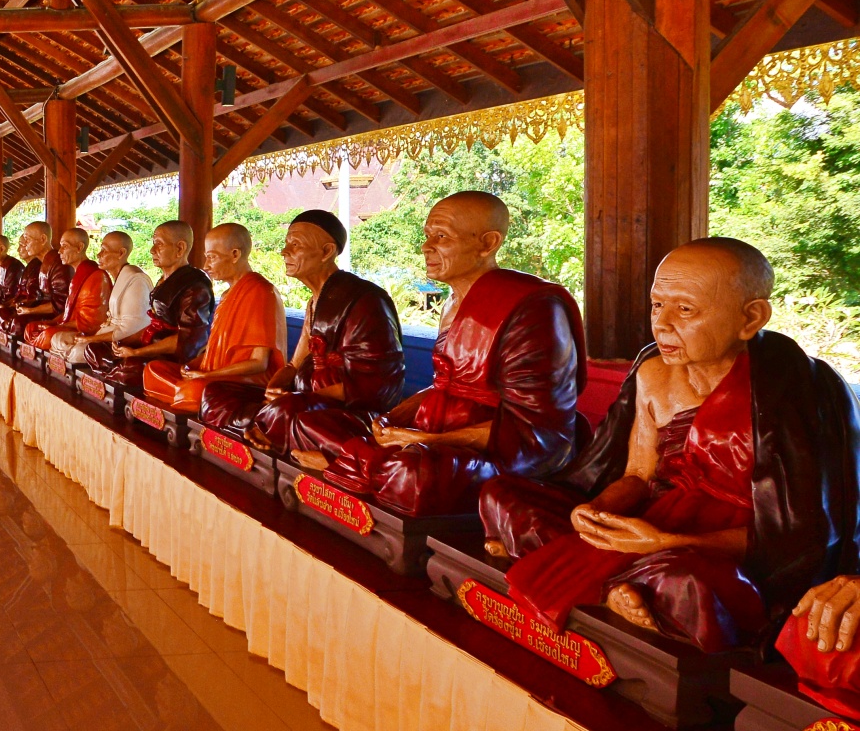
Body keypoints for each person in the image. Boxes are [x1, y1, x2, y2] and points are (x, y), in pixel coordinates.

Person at [476, 239, 860, 659]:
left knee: (690, 583)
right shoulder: (653, 374)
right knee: (502, 495)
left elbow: (794, 536)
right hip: (655, 518)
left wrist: (666, 542)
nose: (662, 324)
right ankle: (626, 587)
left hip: (723, 545)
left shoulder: (795, 390)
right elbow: (639, 476)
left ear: (751, 317)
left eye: (686, 309)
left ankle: (621, 583)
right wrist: (598, 512)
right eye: (657, 305)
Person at [297, 191, 585, 519]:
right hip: (431, 439)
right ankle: (363, 462)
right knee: (308, 421)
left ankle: (350, 462)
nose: (426, 246)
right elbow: (444, 386)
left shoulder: (533, 307)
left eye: (441, 237)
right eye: (427, 235)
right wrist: (393, 419)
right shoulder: (452, 302)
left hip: (499, 456)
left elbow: (533, 429)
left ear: (488, 243)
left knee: (416, 475)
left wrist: (428, 439)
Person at [216, 209, 404, 443]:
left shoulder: (365, 301)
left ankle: (272, 428)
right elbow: (294, 366)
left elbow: (373, 387)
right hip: (305, 399)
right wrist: (273, 389)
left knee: (288, 415)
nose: (284, 251)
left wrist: (296, 400)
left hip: (347, 411)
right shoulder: (315, 303)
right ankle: (269, 425)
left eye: (295, 244)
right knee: (216, 395)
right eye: (287, 243)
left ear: (327, 251)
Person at [143, 223, 285, 413]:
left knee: (196, 391)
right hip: (212, 376)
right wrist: (191, 367)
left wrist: (208, 375)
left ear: (235, 255)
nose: (206, 265)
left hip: (242, 382)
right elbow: (214, 350)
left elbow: (259, 363)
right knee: (153, 369)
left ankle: (188, 396)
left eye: (212, 257)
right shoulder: (227, 295)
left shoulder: (260, 291)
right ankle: (185, 395)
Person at [80, 221, 215, 392]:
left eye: (159, 244)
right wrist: (122, 342)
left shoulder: (194, 287)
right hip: (150, 347)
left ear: (180, 248)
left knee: (134, 368)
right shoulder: (163, 281)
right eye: (153, 243)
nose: (152, 250)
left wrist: (138, 353)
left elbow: (186, 341)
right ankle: (114, 374)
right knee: (94, 349)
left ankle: (117, 375)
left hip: (172, 358)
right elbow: (153, 326)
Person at [62, 231, 150, 365]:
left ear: (121, 253)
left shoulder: (136, 280)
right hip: (108, 336)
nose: (99, 255)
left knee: (78, 352)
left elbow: (131, 329)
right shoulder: (119, 277)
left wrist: (91, 339)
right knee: (60, 340)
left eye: (104, 250)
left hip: (124, 343)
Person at [26, 228, 108, 350]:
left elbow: (90, 323)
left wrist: (58, 326)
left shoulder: (95, 276)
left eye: (64, 246)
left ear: (79, 247)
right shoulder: (78, 273)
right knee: (31, 328)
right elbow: (71, 312)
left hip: (85, 332)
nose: (59, 251)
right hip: (70, 326)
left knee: (48, 335)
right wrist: (52, 322)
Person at [0, 221, 56, 336]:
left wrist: (29, 310)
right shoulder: (37, 264)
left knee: (16, 323)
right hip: (33, 308)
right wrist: (13, 305)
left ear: (43, 239)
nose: (25, 246)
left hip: (50, 315)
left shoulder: (54, 264)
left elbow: (58, 305)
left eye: (27, 240)